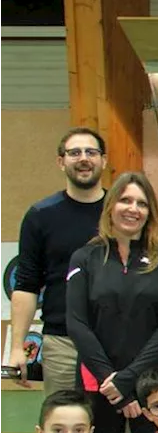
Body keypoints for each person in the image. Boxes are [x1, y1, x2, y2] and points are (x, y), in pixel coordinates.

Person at [66, 172, 158, 433]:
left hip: (151, 385)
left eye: (142, 203)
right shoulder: (85, 257)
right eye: (125, 200)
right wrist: (112, 382)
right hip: (100, 385)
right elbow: (76, 322)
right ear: (110, 206)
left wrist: (131, 380)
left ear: (150, 212)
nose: (133, 209)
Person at [8, 128, 108, 391]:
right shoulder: (41, 216)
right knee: (66, 426)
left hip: (115, 341)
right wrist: (18, 347)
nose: (83, 158)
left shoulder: (122, 212)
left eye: (91, 152)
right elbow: (27, 285)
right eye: (74, 153)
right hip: (63, 345)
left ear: (104, 161)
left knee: (119, 429)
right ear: (61, 162)